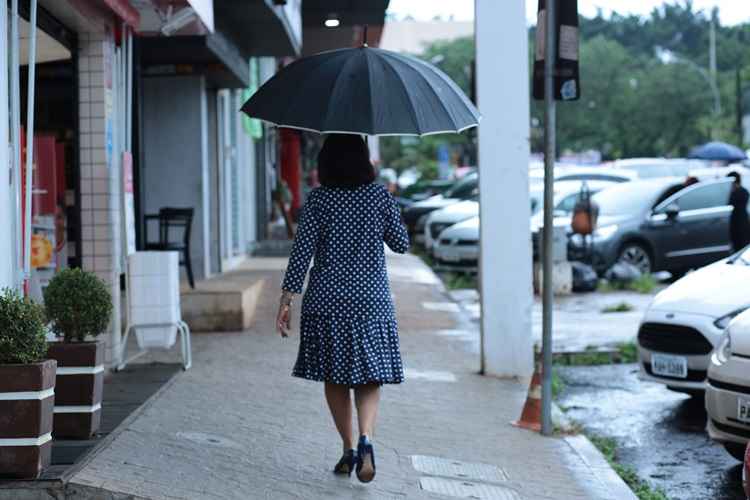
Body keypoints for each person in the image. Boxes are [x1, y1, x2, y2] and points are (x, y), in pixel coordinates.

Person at [276, 134, 409, 484]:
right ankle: (367, 439)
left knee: (335, 376)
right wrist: (391, 205)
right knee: (369, 375)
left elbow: (301, 253)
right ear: (365, 160)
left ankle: (348, 448)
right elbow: (402, 244)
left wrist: (287, 299)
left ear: (326, 162)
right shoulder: (379, 196)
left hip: (326, 300)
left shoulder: (318, 200)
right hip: (371, 301)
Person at [728, 172, 750, 252]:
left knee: (740, 244)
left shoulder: (738, 192)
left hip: (739, 222)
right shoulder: (743, 191)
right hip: (742, 221)